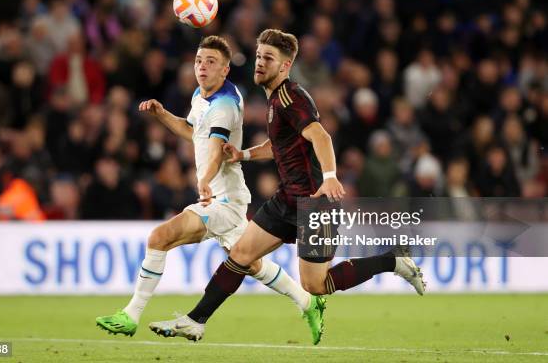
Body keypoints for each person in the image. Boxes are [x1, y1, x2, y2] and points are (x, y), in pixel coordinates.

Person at [149, 29, 426, 342]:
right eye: (258, 56)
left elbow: (321, 136)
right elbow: (278, 144)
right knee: (240, 253)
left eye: (269, 58)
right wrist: (244, 154)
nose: (259, 63)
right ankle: (196, 320)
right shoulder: (273, 99)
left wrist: (332, 175)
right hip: (287, 200)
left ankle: (393, 261)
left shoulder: (290, 97)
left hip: (315, 203)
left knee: (316, 285)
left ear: (285, 66)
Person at [95, 36, 321, 342]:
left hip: (222, 198)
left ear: (225, 70)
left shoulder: (225, 105)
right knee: (250, 263)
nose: (202, 67)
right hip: (225, 194)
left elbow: (216, 149)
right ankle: (307, 302)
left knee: (159, 237)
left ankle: (131, 315)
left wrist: (204, 180)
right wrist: (161, 113)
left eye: (210, 62)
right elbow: (193, 132)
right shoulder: (201, 97)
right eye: (199, 60)